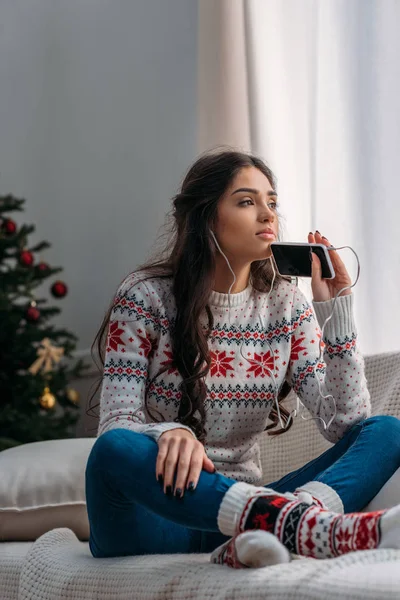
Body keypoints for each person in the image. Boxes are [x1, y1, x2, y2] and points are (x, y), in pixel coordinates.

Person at [85, 148, 400, 568]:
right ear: (205, 217)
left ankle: (289, 522)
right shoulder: (145, 297)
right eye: (247, 201)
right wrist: (165, 432)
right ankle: (296, 526)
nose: (269, 215)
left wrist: (336, 311)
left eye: (272, 202)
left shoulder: (286, 306)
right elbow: (116, 421)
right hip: (155, 517)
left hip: (237, 514)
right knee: (111, 451)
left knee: (388, 431)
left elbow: (347, 425)